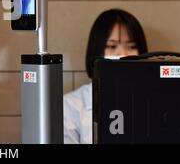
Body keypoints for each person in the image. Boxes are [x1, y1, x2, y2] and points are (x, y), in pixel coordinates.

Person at [63, 9, 148, 144]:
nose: (124, 55)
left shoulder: (152, 99)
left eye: (132, 46)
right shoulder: (71, 106)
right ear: (97, 50)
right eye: (112, 46)